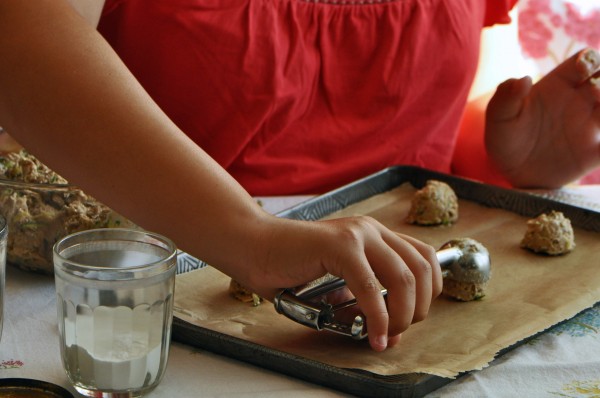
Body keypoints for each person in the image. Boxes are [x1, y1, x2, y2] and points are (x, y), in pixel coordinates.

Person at [0, 0, 443, 353]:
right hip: (170, 272)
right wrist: (256, 240)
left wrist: (507, 151)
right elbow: (16, 36)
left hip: (424, 260)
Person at [94, 0, 600, 195]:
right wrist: (250, 240)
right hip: (160, 290)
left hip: (406, 302)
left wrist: (505, 158)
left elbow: (437, 115)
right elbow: (21, 54)